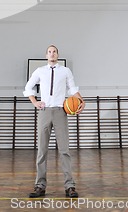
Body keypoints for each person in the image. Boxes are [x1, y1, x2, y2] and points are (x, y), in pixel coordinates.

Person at [23, 45, 85, 198]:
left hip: (60, 112)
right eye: (49, 52)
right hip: (44, 112)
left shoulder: (65, 71)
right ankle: (40, 186)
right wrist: (35, 102)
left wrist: (81, 100)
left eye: (54, 51)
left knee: (64, 150)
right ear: (46, 55)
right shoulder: (39, 71)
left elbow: (72, 89)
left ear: (58, 55)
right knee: (42, 151)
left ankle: (69, 186)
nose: (52, 54)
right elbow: (28, 87)